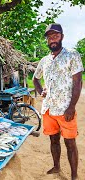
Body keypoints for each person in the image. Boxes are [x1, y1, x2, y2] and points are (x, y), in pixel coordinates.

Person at [33, 23, 83, 180]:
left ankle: (74, 176)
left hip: (65, 109)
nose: (52, 39)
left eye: (55, 36)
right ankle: (56, 166)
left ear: (62, 37)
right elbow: (35, 78)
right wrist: (41, 92)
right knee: (53, 140)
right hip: (48, 108)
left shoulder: (72, 55)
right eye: (49, 37)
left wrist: (72, 107)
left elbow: (78, 83)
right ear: (47, 41)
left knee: (70, 143)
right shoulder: (44, 60)